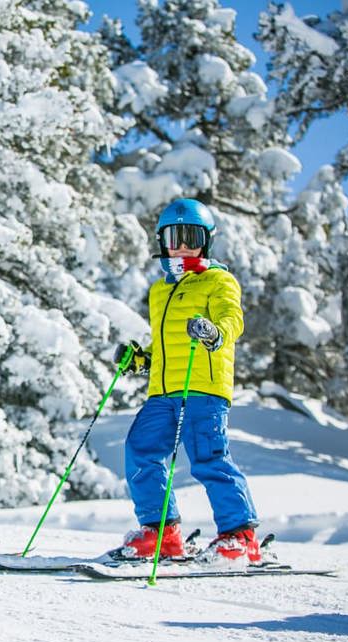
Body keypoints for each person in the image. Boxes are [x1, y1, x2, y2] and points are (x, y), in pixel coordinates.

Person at [112, 198, 261, 565]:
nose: (181, 245)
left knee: (209, 459)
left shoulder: (219, 280)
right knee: (140, 449)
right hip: (163, 390)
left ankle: (240, 536)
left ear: (206, 241)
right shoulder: (160, 290)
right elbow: (166, 344)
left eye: (190, 236)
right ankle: (161, 533)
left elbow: (232, 320)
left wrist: (215, 333)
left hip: (204, 388)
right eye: (173, 236)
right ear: (162, 241)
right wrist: (143, 358)